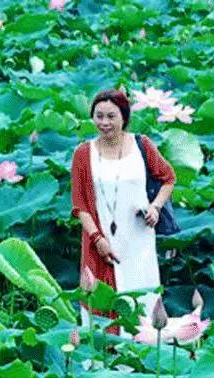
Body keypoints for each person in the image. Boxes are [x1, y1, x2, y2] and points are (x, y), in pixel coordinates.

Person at [71, 89, 177, 321]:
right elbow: (80, 205)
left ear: (124, 117)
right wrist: (97, 239)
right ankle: (102, 356)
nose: (104, 122)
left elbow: (168, 178)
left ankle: (143, 349)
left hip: (139, 238)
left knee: (142, 300)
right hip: (100, 240)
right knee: (102, 302)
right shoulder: (83, 153)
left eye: (111, 116)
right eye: (99, 116)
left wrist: (155, 207)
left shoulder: (143, 145)